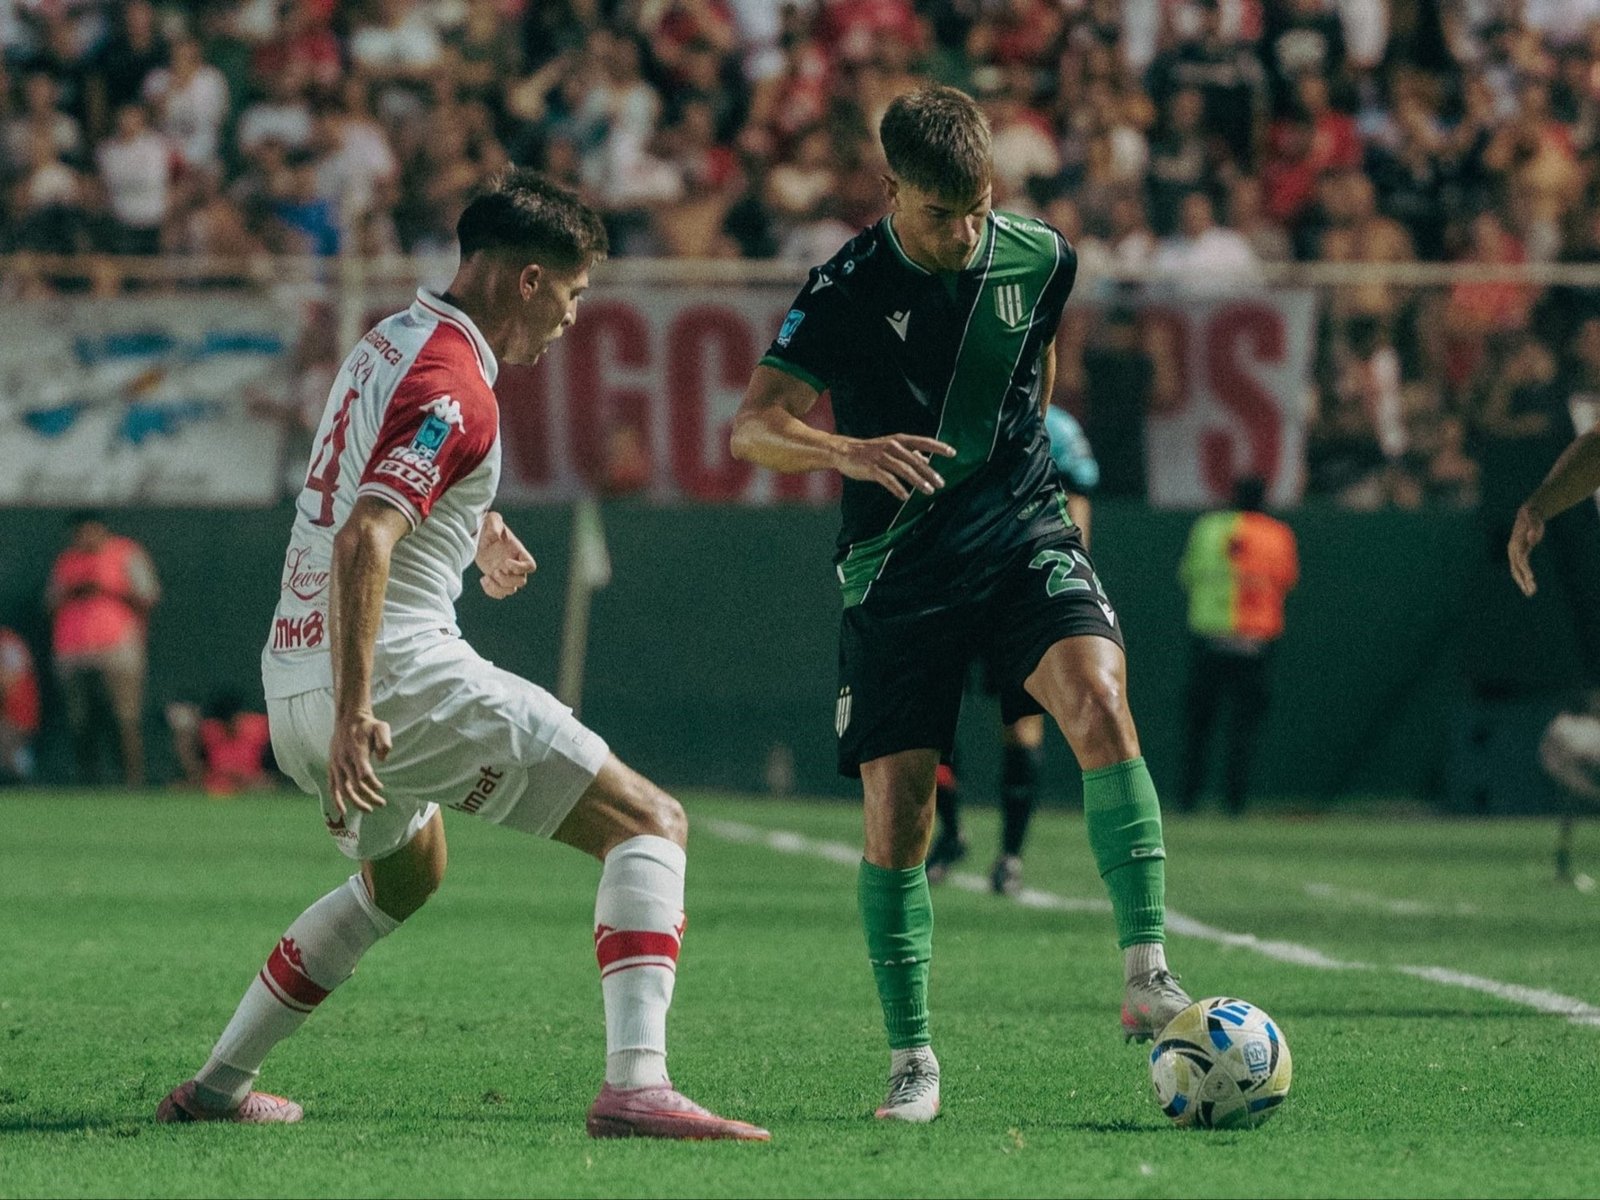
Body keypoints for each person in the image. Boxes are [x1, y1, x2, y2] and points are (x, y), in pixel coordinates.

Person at [155, 170, 767, 1142]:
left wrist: (476, 525)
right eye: (571, 294)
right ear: (528, 280)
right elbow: (366, 535)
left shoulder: (387, 343)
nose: (571, 318)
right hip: (389, 683)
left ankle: (218, 1087)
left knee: (407, 876)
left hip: (292, 676)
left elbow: (369, 479)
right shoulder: (456, 385)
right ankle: (637, 1085)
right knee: (649, 822)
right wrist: (359, 710)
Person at [730, 85, 1191, 1124]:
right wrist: (848, 450)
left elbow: (1039, 357)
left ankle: (1146, 969)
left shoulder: (1041, 256)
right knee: (901, 814)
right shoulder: (843, 288)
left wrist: (1025, 466)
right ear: (891, 189)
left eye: (979, 207)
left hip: (1021, 533)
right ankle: (913, 1060)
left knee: (1100, 700)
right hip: (898, 566)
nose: (966, 231)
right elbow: (752, 426)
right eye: (942, 213)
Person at [927, 405, 1101, 896]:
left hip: (1017, 594)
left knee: (1022, 725)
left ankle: (1010, 855)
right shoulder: (949, 407)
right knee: (928, 719)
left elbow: (1078, 504)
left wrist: (1067, 581)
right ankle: (952, 832)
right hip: (951, 587)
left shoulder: (1056, 427)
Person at [1175, 476, 1298, 815]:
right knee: (1243, 728)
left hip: (1210, 639)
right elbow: (1286, 579)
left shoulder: (1207, 529)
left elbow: (1188, 574)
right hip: (1255, 643)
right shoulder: (1277, 534)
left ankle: (1188, 798)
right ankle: (1235, 802)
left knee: (1199, 727)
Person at [46, 513, 160, 787]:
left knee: (124, 717)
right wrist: (74, 590)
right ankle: (88, 781)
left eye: (90, 531)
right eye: (79, 534)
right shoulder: (67, 561)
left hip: (117, 648)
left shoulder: (125, 553)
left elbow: (149, 595)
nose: (85, 538)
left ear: (101, 530)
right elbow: (49, 602)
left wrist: (107, 588)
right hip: (73, 651)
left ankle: (131, 782)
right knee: (80, 720)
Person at [166, 691, 278, 797]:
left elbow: (269, 770)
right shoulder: (210, 732)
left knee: (265, 785)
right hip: (216, 786)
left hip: (252, 784)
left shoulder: (256, 728)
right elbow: (195, 767)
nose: (229, 725)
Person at [0, 626, 40, 785]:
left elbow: (11, 679)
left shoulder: (8, 642)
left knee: (13, 753)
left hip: (18, 716)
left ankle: (28, 776)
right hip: (7, 717)